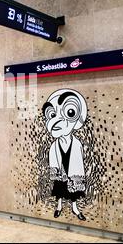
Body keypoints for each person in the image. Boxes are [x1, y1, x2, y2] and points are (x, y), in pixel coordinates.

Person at [42, 89, 88, 221]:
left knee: (74, 191)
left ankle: (75, 208)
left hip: (72, 171)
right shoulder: (54, 146)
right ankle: (59, 206)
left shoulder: (77, 144)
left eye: (70, 112)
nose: (57, 120)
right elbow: (52, 159)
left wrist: (79, 174)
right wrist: (56, 171)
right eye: (52, 114)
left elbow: (79, 161)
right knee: (60, 189)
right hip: (60, 172)